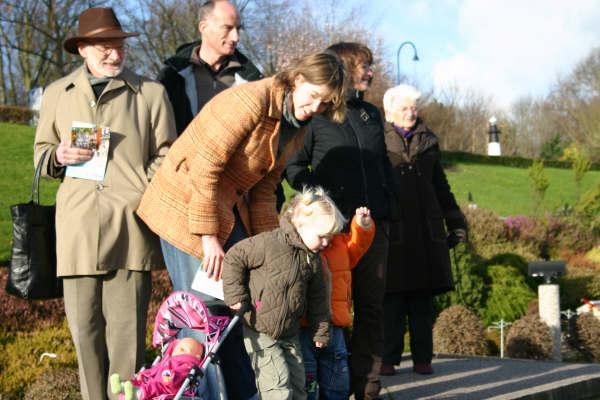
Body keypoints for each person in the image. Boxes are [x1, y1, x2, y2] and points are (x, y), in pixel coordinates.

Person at [137, 51, 346, 400]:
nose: (315, 108)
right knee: (203, 314)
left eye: (324, 104)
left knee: (236, 309)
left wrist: (271, 250)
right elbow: (204, 169)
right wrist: (209, 237)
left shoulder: (295, 126)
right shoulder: (250, 101)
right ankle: (189, 392)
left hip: (224, 207)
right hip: (185, 205)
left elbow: (265, 190)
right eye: (312, 97)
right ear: (296, 79)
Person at [33, 7, 176, 400]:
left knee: (127, 344)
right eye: (103, 46)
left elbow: (168, 156)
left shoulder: (151, 94)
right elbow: (41, 155)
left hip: (130, 230)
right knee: (86, 338)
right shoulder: (56, 94)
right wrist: (60, 155)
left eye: (118, 45)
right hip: (77, 231)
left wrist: (138, 189)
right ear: (82, 48)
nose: (114, 54)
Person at [285, 42, 393, 400]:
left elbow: (383, 167)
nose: (371, 72)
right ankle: (326, 389)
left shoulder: (371, 114)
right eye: (365, 66)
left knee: (371, 307)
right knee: (327, 309)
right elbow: (294, 167)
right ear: (344, 68)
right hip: (329, 234)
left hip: (372, 229)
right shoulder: (315, 116)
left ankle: (367, 388)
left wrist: (390, 209)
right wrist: (320, 205)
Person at [222, 186, 345, 398]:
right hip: (260, 328)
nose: (326, 243)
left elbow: (319, 299)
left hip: (290, 334)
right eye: (322, 236)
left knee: (299, 387)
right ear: (301, 224)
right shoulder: (270, 243)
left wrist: (321, 331)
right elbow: (235, 257)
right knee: (276, 388)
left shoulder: (313, 261)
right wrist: (235, 295)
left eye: (330, 238)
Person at [379, 84, 467, 376]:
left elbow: (441, 186)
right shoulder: (378, 139)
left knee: (421, 300)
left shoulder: (429, 141)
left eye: (414, 107)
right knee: (391, 299)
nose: (411, 112)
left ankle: (422, 358)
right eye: (405, 108)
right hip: (393, 229)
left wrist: (456, 223)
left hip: (425, 232)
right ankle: (388, 359)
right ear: (390, 111)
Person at [300, 206, 375, 400]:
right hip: (305, 327)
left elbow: (358, 245)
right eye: (321, 234)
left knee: (337, 380)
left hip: (335, 325)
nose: (326, 241)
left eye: (331, 233)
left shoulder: (341, 245)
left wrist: (362, 225)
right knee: (307, 380)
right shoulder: (298, 249)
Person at [158, 0, 263, 136]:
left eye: (238, 28)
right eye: (227, 28)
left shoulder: (252, 81)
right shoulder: (170, 77)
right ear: (203, 27)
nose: (235, 37)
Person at [110, 338, 205, 400]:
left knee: (153, 385)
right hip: (156, 379)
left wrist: (171, 376)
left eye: (183, 349)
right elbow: (156, 369)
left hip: (166, 387)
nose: (177, 350)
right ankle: (122, 388)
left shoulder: (187, 365)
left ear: (196, 356)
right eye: (178, 347)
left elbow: (180, 374)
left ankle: (139, 393)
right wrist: (145, 374)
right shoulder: (168, 360)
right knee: (140, 380)